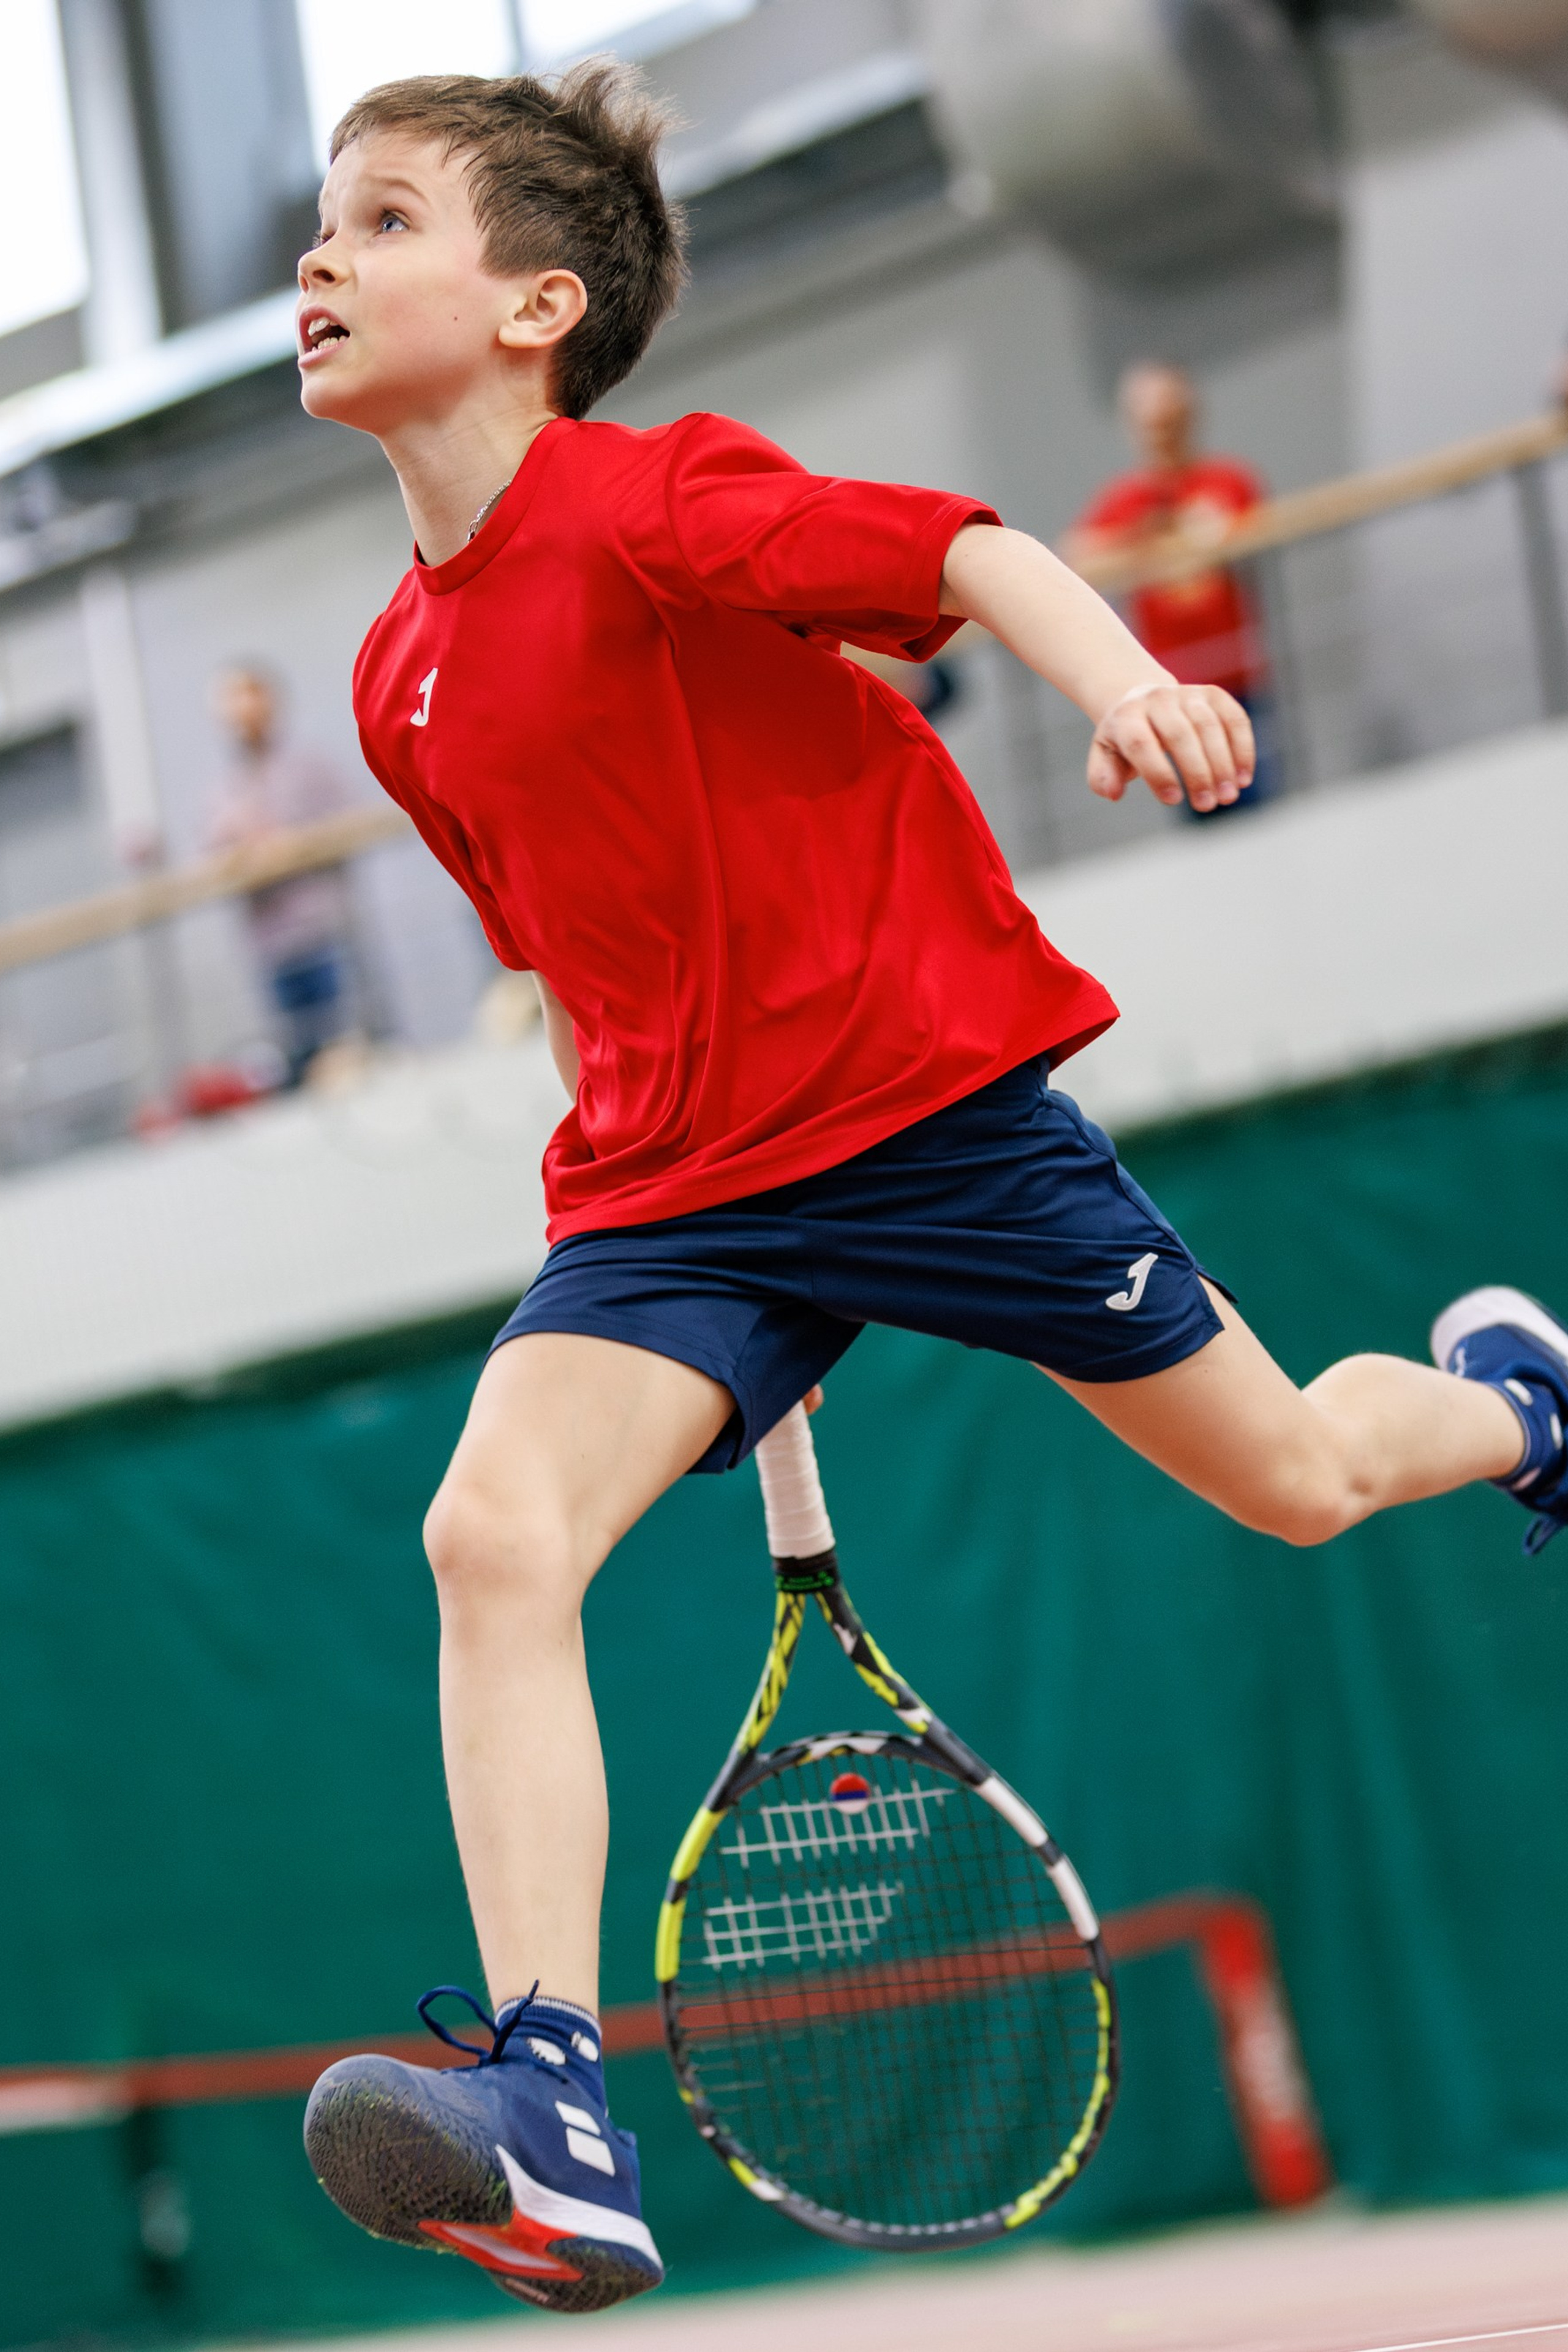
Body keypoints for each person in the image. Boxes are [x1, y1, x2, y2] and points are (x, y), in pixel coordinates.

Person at [289, 67, 1568, 2315]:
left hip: (924, 1119)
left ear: (533, 308)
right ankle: (553, 2103)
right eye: (324, 220)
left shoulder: (654, 500)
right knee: (488, 1532)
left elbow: (961, 550)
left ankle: (1518, 1403)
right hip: (670, 1197)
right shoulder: (394, 680)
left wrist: (1129, 680)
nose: (320, 257)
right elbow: (578, 972)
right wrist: (623, 1236)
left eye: (383, 221)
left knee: (1286, 1476)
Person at [1065, 363, 1278, 813]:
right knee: (1200, 806)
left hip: (1238, 677)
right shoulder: (1125, 502)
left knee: (1259, 799)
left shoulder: (1226, 480)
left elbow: (1253, 527)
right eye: (1150, 423)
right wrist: (1141, 532)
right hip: (1171, 689)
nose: (1161, 433)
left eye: (1170, 419)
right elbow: (1075, 556)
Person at [208, 663, 358, 1084]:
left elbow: (350, 822)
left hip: (323, 931)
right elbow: (212, 855)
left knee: (346, 1050)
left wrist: (294, 847)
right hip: (272, 947)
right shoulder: (226, 789)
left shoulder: (309, 767)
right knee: (300, 1061)